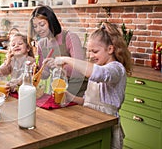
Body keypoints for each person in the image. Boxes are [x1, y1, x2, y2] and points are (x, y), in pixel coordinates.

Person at [54, 21, 132, 149]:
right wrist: (69, 96)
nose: (90, 56)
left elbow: (98, 74)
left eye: (95, 51)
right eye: (89, 52)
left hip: (105, 127)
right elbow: (88, 101)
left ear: (110, 49)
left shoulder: (116, 69)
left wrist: (66, 59)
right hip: (90, 123)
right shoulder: (98, 67)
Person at [27, 5, 87, 96]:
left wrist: (60, 66)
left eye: (42, 24)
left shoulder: (69, 38)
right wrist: (36, 70)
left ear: (51, 21)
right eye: (35, 26)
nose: (38, 29)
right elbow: (45, 74)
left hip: (77, 92)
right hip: (57, 90)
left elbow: (80, 70)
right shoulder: (41, 44)